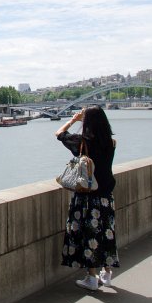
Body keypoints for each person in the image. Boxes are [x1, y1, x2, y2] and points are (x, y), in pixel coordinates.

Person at [54, 106, 119, 291]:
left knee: (89, 235)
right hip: (106, 197)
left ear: (87, 122)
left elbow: (59, 133)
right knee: (106, 233)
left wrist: (74, 120)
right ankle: (107, 274)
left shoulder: (82, 142)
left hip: (87, 197)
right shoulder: (112, 142)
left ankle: (91, 278)